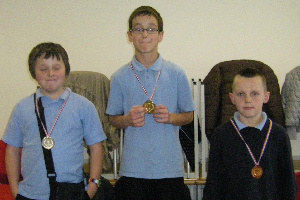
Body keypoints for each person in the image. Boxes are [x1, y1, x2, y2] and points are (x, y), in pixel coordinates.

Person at [106, 6, 194, 200]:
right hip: (133, 169)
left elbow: (189, 115)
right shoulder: (119, 77)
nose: (145, 34)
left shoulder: (177, 73)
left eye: (151, 29)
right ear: (130, 35)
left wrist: (171, 117)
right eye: (138, 29)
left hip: (170, 168)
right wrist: (127, 120)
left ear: (161, 35)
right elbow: (113, 118)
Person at [3, 42, 107, 200]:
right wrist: (14, 188)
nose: (50, 73)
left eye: (56, 67)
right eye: (43, 69)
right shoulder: (22, 108)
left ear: (66, 70)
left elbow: (96, 147)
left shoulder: (84, 106)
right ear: (34, 73)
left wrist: (93, 185)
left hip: (71, 192)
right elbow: (12, 150)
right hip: (30, 194)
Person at [202, 68, 297, 199]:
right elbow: (214, 186)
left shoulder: (279, 135)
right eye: (241, 94)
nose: (248, 100)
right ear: (232, 98)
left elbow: (288, 185)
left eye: (254, 93)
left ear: (266, 97)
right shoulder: (221, 135)